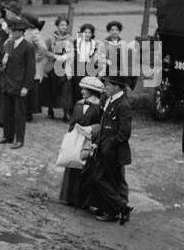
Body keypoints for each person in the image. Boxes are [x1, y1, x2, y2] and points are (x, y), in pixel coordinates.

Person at [90, 75, 134, 222]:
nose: (105, 88)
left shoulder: (123, 105)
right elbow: (104, 125)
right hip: (104, 149)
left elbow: (124, 134)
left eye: (108, 85)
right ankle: (116, 208)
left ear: (116, 87)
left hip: (114, 152)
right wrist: (98, 142)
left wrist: (109, 144)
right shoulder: (111, 100)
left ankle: (119, 207)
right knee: (106, 180)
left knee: (103, 179)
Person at [59, 76, 104, 208]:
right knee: (72, 166)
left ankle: (84, 201)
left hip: (89, 142)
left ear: (91, 90)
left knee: (87, 170)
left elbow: (100, 125)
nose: (82, 91)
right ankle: (69, 197)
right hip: (76, 141)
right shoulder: (78, 104)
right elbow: (73, 122)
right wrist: (69, 136)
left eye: (84, 89)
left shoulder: (99, 107)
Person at [0, 18, 34, 149]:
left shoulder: (28, 47)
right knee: (7, 112)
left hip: (19, 85)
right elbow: (4, 60)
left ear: (21, 32)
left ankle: (19, 139)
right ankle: (8, 135)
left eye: (15, 31)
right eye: (12, 30)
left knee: (19, 114)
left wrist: (26, 87)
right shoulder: (10, 44)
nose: (12, 33)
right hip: (8, 83)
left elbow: (30, 68)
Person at [42, 17, 73, 118]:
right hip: (52, 66)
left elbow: (72, 52)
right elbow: (45, 51)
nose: (64, 27)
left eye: (65, 25)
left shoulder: (69, 38)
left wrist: (66, 56)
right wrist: (54, 56)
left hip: (64, 67)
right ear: (57, 26)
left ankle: (65, 112)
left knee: (65, 88)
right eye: (62, 25)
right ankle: (50, 109)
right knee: (51, 88)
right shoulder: (50, 38)